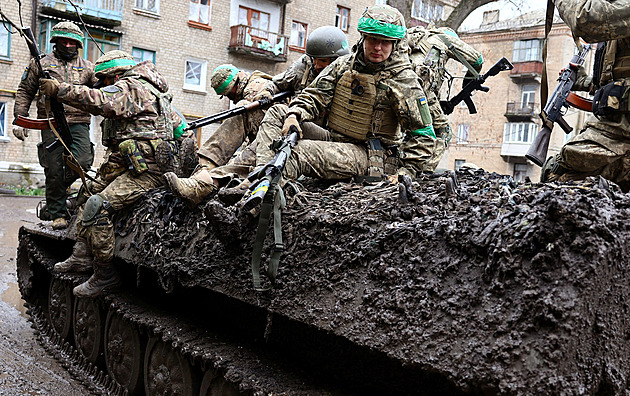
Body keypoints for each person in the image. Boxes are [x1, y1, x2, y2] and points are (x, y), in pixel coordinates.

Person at [39, 50, 184, 297]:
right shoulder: (151, 90)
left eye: (105, 81)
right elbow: (180, 129)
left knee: (97, 206)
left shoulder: (132, 86)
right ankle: (82, 255)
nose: (104, 86)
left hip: (147, 173)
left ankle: (105, 274)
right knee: (87, 191)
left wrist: (59, 90)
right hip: (132, 167)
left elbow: (98, 99)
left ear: (114, 76)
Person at [249, 4, 433, 187]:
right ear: (363, 38)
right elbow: (315, 94)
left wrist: (407, 171)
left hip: (371, 155)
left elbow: (424, 134)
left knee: (296, 153)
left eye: (385, 42)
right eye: (373, 40)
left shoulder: (404, 80)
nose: (378, 47)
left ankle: (261, 196)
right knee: (278, 112)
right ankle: (261, 180)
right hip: (334, 138)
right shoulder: (345, 65)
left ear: (395, 43)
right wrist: (294, 114)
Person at [165, 26, 351, 206]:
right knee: (247, 109)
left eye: (324, 61)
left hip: (326, 138)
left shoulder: (349, 75)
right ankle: (204, 172)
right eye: (315, 59)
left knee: (274, 128)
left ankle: (228, 181)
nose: (318, 65)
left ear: (337, 60)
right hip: (296, 123)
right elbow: (277, 83)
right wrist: (265, 94)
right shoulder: (306, 66)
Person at [13, 21, 96, 230]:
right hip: (49, 122)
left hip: (79, 122)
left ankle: (59, 193)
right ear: (55, 41)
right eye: (64, 41)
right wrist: (19, 118)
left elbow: (99, 93)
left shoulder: (88, 68)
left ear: (78, 44)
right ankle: (57, 213)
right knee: (54, 168)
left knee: (83, 161)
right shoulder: (40, 63)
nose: (68, 45)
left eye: (72, 42)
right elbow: (25, 91)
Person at [541, 0, 630, 191]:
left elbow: (586, 19)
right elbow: (617, 80)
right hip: (618, 130)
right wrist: (586, 81)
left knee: (558, 174)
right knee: (554, 170)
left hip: (622, 134)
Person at [404, 26, 483, 174]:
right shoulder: (446, 39)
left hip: (405, 86)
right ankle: (423, 172)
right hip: (418, 91)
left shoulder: (421, 41)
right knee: (443, 131)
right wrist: (468, 83)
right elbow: (477, 59)